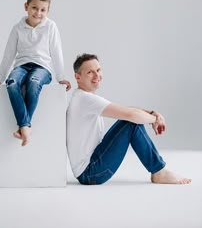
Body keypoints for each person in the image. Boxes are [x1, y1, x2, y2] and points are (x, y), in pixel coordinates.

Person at [66, 53, 191, 185]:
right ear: (77, 77)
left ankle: (158, 170)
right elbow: (131, 115)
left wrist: (153, 113)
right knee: (132, 123)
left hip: (90, 169)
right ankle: (159, 171)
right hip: (91, 172)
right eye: (90, 72)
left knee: (130, 120)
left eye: (98, 70)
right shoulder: (85, 99)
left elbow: (126, 111)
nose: (97, 75)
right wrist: (154, 119)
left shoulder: (82, 98)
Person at [0, 0, 71, 146]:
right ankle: (25, 125)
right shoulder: (17, 28)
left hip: (43, 68)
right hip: (22, 65)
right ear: (26, 6)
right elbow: (9, 55)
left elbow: (56, 52)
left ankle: (24, 126)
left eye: (43, 10)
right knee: (12, 83)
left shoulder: (51, 27)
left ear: (48, 11)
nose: (38, 13)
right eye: (34, 8)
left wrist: (61, 78)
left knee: (34, 82)